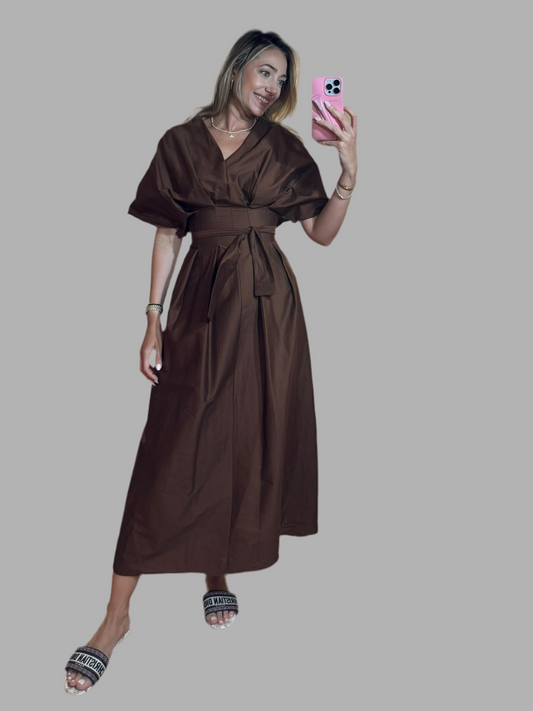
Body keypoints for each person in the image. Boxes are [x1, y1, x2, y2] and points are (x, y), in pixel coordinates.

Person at [64, 29, 357, 694]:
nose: (272, 87)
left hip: (267, 311)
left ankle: (216, 569)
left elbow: (320, 233)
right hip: (199, 307)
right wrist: (151, 320)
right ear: (237, 68)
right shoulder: (180, 142)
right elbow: (168, 233)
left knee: (242, 439)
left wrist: (347, 169)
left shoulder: (285, 148)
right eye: (265, 71)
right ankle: (115, 618)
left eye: (282, 79)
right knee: (169, 449)